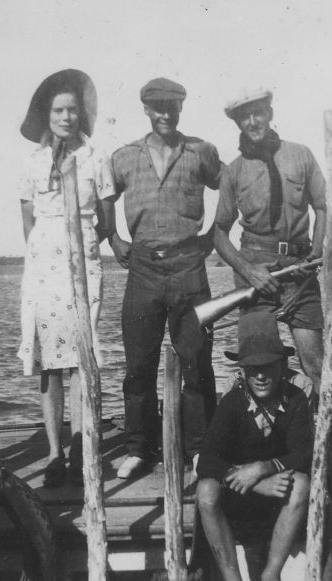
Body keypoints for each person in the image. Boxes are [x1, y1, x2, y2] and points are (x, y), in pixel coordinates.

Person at [213, 88, 332, 478]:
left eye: (258, 113)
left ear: (269, 112)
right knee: (257, 364)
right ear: (237, 123)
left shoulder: (301, 155)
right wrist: (248, 269)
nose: (253, 122)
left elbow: (323, 206)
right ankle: (261, 451)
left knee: (316, 363)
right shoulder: (233, 171)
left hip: (300, 272)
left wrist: (318, 253)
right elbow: (219, 234)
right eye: (245, 118)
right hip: (256, 275)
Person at [109, 77, 223, 479]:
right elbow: (105, 197)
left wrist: (214, 233)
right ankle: (139, 449)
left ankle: (198, 449)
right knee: (139, 366)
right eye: (157, 106)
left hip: (188, 266)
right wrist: (114, 239)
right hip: (142, 268)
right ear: (145, 109)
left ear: (181, 108)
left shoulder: (201, 151)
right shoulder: (124, 156)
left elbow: (229, 186)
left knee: (197, 362)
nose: (164, 113)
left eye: (171, 106)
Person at [17, 69, 117, 488]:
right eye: (58, 110)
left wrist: (82, 247)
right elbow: (27, 221)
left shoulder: (96, 158)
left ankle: (80, 448)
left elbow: (108, 219)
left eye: (73, 109)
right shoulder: (33, 162)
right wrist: (49, 253)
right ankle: (56, 453)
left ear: (82, 114)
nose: (66, 117)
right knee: (48, 363)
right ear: (47, 115)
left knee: (81, 357)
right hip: (44, 267)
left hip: (84, 262)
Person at [196, 312, 312, 581]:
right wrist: (255, 481)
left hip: (279, 489)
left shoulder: (296, 400)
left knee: (303, 484)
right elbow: (207, 460)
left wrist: (264, 468)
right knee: (205, 491)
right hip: (239, 492)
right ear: (242, 372)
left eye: (268, 367)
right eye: (252, 369)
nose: (260, 376)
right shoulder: (232, 404)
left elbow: (305, 452)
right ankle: (232, 576)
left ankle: (271, 574)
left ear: (282, 367)